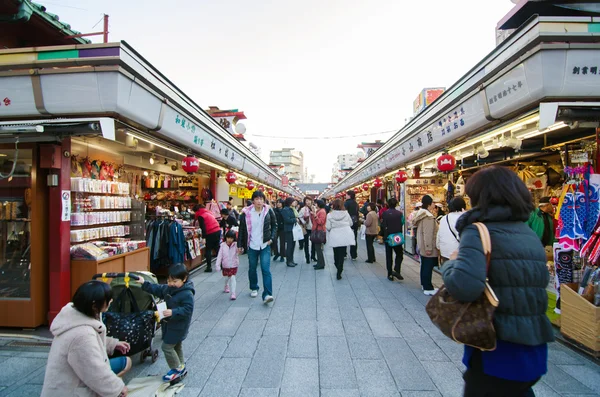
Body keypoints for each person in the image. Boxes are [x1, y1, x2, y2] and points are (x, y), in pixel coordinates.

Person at [441, 166, 554, 397]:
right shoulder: (528, 233)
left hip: (496, 347)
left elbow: (464, 286)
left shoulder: (479, 230)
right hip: (533, 347)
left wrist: (450, 264)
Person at [41, 281, 131, 397]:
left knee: (127, 362)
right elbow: (95, 372)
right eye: (108, 299)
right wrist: (117, 388)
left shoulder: (75, 316)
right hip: (71, 391)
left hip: (73, 379)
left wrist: (113, 344)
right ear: (94, 305)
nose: (111, 301)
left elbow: (93, 342)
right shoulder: (82, 336)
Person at [137, 264, 195, 382]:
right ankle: (181, 366)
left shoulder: (187, 294)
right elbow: (157, 289)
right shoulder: (169, 289)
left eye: (174, 281)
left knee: (167, 347)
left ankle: (176, 370)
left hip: (178, 326)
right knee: (177, 346)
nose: (171, 283)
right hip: (170, 325)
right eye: (169, 280)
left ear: (184, 279)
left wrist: (173, 312)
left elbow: (188, 309)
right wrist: (144, 283)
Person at [238, 190, 277, 303]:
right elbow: (242, 230)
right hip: (252, 244)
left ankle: (267, 294)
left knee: (265, 269)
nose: (259, 201)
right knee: (252, 268)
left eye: (261, 199)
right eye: (257, 199)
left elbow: (275, 225)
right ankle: (254, 287)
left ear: (264, 200)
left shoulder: (269, 211)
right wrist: (240, 245)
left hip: (265, 244)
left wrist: (271, 239)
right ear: (253, 201)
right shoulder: (246, 213)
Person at [412, 195, 439, 295]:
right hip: (427, 245)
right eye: (433, 203)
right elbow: (428, 233)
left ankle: (425, 284)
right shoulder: (428, 217)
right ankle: (428, 287)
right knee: (428, 265)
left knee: (424, 265)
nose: (434, 205)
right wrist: (429, 247)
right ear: (429, 204)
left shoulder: (421, 214)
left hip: (422, 245)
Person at [327, 199, 356, 280]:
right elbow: (351, 223)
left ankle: (337, 265)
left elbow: (328, 227)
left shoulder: (329, 215)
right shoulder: (346, 214)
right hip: (345, 234)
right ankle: (340, 269)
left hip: (335, 235)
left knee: (336, 252)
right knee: (342, 253)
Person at [380, 198, 405, 281]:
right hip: (397, 237)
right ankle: (397, 270)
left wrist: (382, 236)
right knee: (399, 254)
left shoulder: (385, 214)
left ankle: (389, 274)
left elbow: (383, 225)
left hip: (388, 237)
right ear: (396, 204)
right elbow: (402, 222)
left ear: (387, 204)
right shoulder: (400, 214)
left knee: (389, 256)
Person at [436, 197, 466, 264]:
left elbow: (439, 234)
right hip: (457, 253)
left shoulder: (444, 218)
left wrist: (438, 246)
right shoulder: (462, 218)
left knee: (447, 272)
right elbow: (462, 236)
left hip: (445, 252)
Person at [195, 204, 222, 272]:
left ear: (196, 211)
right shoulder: (208, 213)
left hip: (210, 232)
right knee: (217, 248)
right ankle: (222, 264)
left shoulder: (201, 216)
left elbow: (203, 228)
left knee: (208, 249)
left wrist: (203, 238)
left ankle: (209, 267)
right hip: (217, 230)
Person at [215, 229, 240, 300]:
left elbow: (239, 252)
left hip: (233, 264)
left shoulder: (235, 245)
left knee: (232, 277)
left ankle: (233, 293)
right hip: (225, 265)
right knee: (226, 278)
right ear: (225, 237)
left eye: (231, 238)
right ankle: (226, 285)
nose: (229, 240)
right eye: (228, 238)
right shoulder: (222, 246)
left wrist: (240, 250)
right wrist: (217, 265)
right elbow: (219, 256)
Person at [281, 197, 298, 267]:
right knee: (289, 246)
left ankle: (291, 260)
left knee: (293, 245)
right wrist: (295, 220)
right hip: (288, 230)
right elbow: (287, 220)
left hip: (293, 229)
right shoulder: (285, 210)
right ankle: (288, 261)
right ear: (290, 202)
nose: (295, 203)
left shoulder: (292, 209)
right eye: (294, 201)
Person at [311, 199, 328, 270]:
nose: (315, 204)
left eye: (316, 203)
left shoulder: (322, 211)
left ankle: (321, 264)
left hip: (319, 231)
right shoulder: (319, 210)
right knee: (317, 248)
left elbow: (321, 222)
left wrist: (315, 215)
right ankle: (320, 262)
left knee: (318, 248)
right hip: (316, 230)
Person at [344, 190, 360, 260]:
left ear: (349, 195)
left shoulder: (346, 203)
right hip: (355, 223)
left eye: (346, 195)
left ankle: (344, 254)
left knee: (345, 239)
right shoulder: (356, 203)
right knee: (354, 239)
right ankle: (354, 255)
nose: (345, 196)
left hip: (347, 223)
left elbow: (344, 213)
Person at [300, 197, 316, 263]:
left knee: (314, 243)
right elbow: (299, 216)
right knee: (306, 243)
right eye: (307, 201)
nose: (308, 202)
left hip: (313, 228)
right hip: (306, 228)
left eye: (309, 200)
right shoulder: (303, 209)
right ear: (305, 202)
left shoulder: (314, 208)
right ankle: (307, 257)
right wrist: (304, 222)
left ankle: (313, 256)